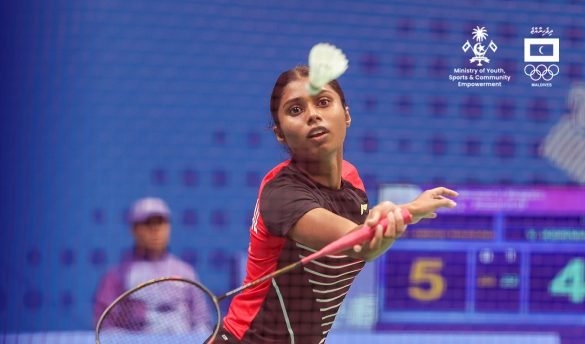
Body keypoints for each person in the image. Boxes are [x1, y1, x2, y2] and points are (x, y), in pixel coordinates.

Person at [216, 66, 458, 343]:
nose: (313, 115)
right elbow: (359, 243)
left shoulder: (351, 179)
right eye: (295, 110)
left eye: (323, 102)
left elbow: (368, 242)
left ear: (346, 114)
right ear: (280, 134)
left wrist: (398, 216)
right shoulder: (281, 195)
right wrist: (402, 214)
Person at [93, 197, 212, 333]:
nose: (155, 230)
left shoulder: (186, 272)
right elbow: (105, 326)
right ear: (134, 229)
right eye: (148, 223)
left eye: (161, 223)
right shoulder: (117, 275)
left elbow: (202, 320)